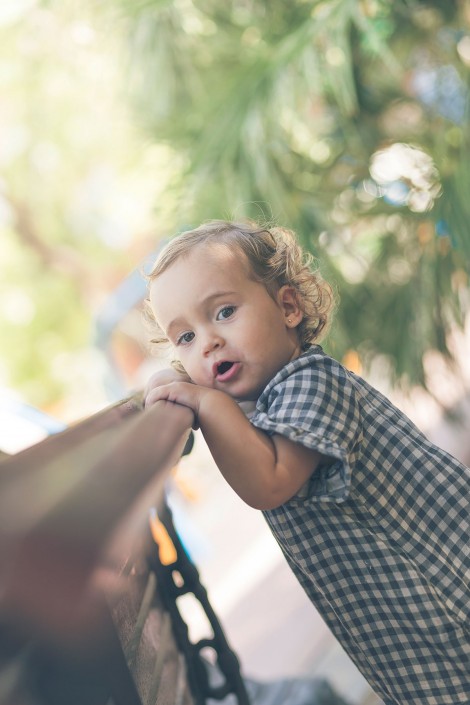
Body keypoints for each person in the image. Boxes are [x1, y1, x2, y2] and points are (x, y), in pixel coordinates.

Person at [143, 219, 469, 705]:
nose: (207, 342)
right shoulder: (259, 404)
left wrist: (205, 402)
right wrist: (176, 384)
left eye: (225, 312)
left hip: (445, 595)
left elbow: (270, 482)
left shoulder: (309, 381)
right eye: (185, 337)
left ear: (288, 307)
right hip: (404, 616)